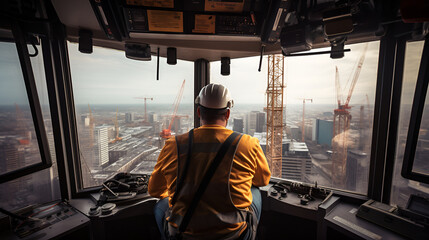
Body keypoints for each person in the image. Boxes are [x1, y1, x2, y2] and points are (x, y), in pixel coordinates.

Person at [149, 83, 271, 240]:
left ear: (199, 112)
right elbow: (262, 180)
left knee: (161, 205)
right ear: (227, 114)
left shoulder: (173, 145)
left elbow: (155, 190)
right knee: (255, 191)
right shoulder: (248, 143)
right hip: (235, 235)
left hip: (183, 234)